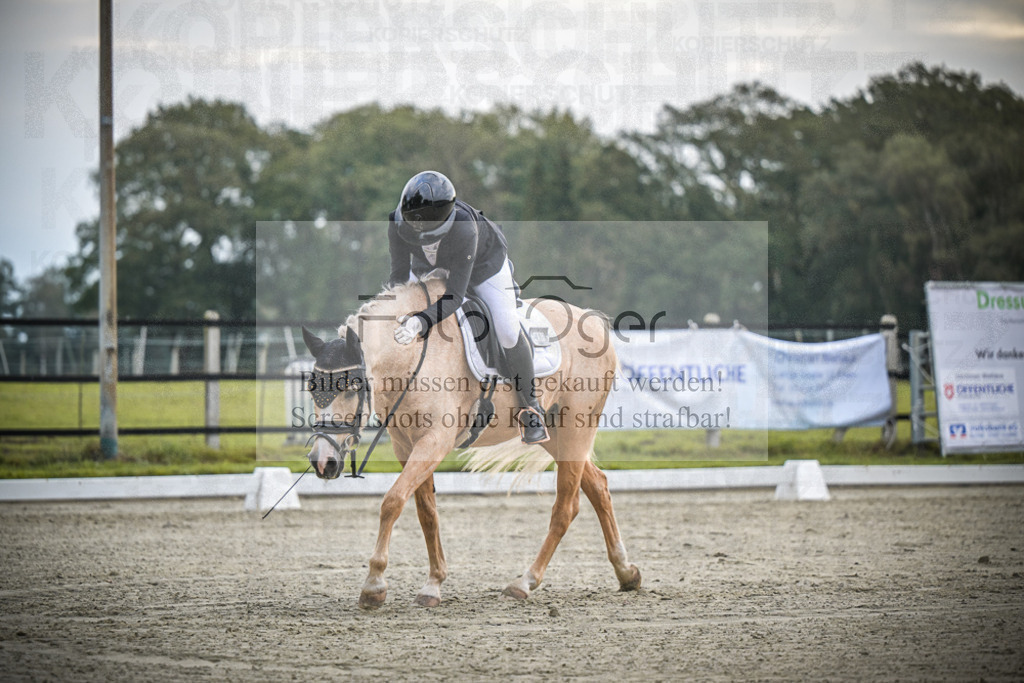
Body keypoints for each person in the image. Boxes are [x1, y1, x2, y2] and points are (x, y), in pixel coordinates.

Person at [387, 170, 548, 444]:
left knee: (508, 330)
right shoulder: (397, 222)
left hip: (484, 267)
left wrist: (420, 321)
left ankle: (531, 407)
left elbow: (454, 296)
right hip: (431, 266)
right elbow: (399, 276)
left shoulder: (464, 228)